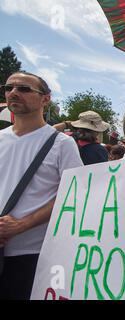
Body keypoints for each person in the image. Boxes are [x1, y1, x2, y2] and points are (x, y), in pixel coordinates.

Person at [0, 72, 83, 300]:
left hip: (34, 254)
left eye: (24, 89)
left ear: (45, 99)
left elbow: (74, 195)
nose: (14, 92)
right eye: (9, 87)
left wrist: (22, 225)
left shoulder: (62, 144)